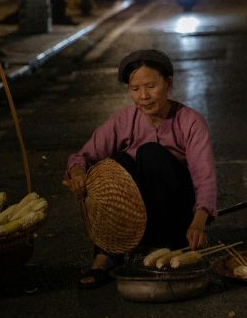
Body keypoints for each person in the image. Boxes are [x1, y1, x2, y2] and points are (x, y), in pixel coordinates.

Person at [64, 49, 217, 288]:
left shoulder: (191, 121)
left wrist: (198, 223)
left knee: (150, 153)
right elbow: (83, 155)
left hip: (176, 209)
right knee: (117, 162)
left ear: (168, 84)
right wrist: (77, 173)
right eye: (135, 89)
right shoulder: (124, 120)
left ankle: (162, 245)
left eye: (151, 86)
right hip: (137, 213)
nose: (143, 96)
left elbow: (204, 176)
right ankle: (107, 254)